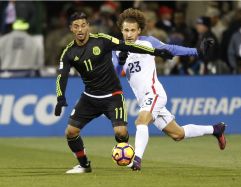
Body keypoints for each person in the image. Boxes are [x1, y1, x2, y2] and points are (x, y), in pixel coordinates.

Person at [54, 12, 173, 174]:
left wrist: (156, 52)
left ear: (88, 26)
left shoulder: (102, 40)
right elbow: (62, 76)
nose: (80, 29)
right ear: (71, 29)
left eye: (83, 25)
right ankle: (83, 165)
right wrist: (60, 97)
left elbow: (127, 46)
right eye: (76, 26)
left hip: (113, 95)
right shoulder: (68, 52)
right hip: (89, 97)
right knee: (71, 132)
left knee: (121, 132)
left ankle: (129, 158)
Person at [115, 8, 227, 171]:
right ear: (121, 30)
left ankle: (136, 160)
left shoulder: (148, 42)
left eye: (133, 30)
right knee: (178, 134)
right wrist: (120, 61)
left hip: (154, 93)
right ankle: (216, 129)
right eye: (126, 30)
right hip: (143, 99)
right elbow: (116, 73)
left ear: (139, 30)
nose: (129, 34)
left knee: (141, 121)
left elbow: (171, 49)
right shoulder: (117, 49)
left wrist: (196, 51)